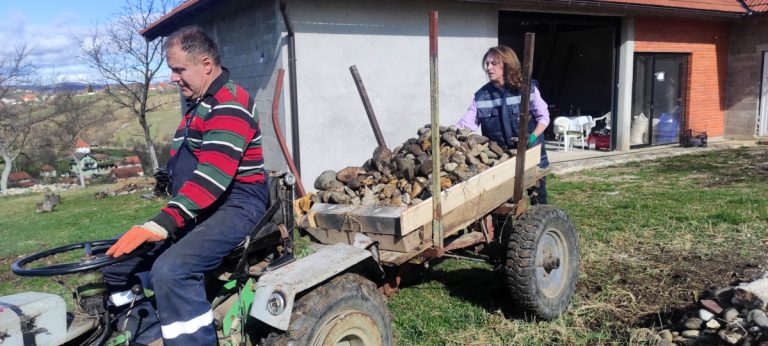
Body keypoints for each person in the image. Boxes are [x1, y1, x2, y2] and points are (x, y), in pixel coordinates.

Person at [102, 25, 268, 345]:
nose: (173, 78)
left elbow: (212, 178)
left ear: (205, 64)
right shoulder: (199, 103)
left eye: (179, 69)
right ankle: (147, 335)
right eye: (171, 70)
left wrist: (162, 222)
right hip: (203, 204)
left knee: (171, 270)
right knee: (117, 263)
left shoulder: (229, 104)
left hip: (238, 204)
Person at [456, 45, 550, 204]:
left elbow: (544, 117)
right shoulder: (481, 96)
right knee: (504, 205)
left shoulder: (527, 88)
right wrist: (448, 135)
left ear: (507, 64)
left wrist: (532, 136)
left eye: (494, 63)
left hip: (532, 156)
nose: (488, 68)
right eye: (487, 64)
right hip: (503, 161)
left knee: (538, 201)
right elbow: (466, 124)